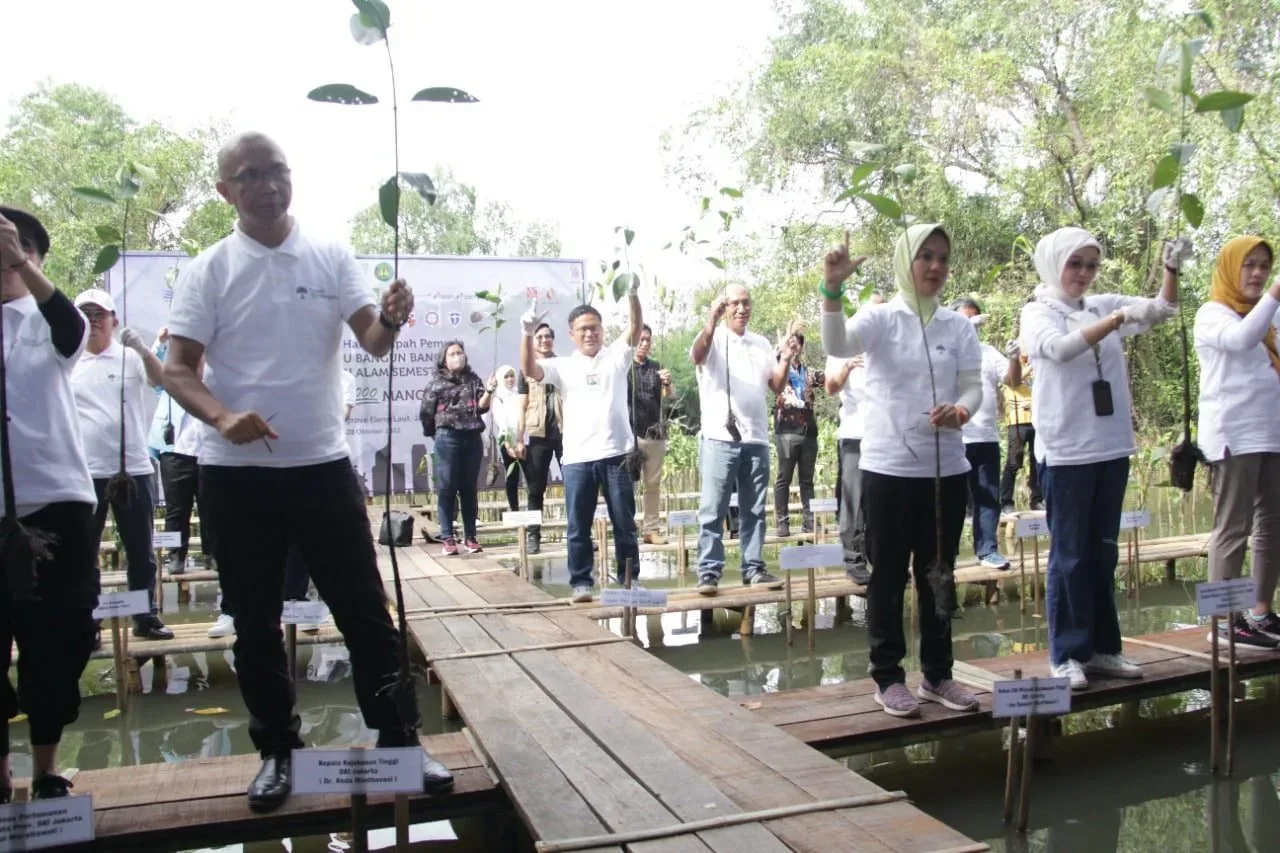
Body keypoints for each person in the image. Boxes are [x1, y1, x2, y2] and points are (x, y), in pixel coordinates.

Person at [161, 132, 452, 812]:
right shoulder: (210, 268)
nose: (266, 184)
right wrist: (222, 415)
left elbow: (374, 343)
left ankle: (400, 741)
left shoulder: (329, 254)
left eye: (277, 171)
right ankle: (278, 751)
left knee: (363, 610)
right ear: (225, 191)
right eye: (249, 174)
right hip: (236, 473)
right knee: (254, 619)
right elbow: (177, 369)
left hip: (322, 465)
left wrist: (391, 316)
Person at [821, 225, 982, 719]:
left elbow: (974, 387)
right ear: (904, 262)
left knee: (939, 574)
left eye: (942, 258)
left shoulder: (959, 327)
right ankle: (887, 677)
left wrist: (962, 411)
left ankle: (938, 675)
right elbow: (838, 339)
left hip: (946, 471)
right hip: (888, 469)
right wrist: (832, 289)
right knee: (887, 576)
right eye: (925, 257)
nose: (935, 267)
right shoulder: (882, 319)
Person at [1019, 227, 1183, 690]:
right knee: (1070, 554)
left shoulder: (1099, 303)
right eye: (1076, 264)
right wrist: (1113, 322)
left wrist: (1170, 270)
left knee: (1103, 551)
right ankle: (1066, 653)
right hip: (1067, 449)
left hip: (1111, 446)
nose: (1085, 274)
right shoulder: (1036, 312)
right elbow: (1056, 350)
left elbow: (1162, 308)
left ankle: (1103, 647)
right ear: (1055, 264)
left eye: (1091, 265)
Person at [0, 206, 99, 800]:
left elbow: (71, 328)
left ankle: (45, 767)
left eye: (19, 251)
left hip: (56, 504)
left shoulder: (51, 322)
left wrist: (18, 258)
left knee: (57, 638)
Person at [520, 289, 642, 603]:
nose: (589, 333)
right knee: (578, 527)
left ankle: (630, 580)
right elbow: (529, 370)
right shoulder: (562, 366)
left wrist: (632, 294)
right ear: (572, 334)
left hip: (617, 454)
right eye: (583, 329)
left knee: (625, 525)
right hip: (577, 458)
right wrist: (527, 332)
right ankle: (581, 583)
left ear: (602, 330)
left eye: (594, 327)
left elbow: (635, 327)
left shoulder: (616, 355)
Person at [71, 288, 174, 642]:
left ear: (114, 320)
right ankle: (89, 622)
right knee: (85, 552)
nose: (93, 320)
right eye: (85, 313)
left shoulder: (129, 357)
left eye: (100, 313)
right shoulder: (69, 360)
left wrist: (144, 350)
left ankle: (144, 617)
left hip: (134, 469)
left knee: (141, 551)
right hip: (85, 473)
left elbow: (161, 381)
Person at [1194, 236, 1280, 648]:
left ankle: (1260, 611)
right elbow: (1242, 339)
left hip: (1272, 433)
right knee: (1233, 527)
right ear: (1231, 268)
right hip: (1233, 435)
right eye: (1249, 265)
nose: (1258, 274)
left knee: (1272, 525)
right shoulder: (1213, 314)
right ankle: (1223, 621)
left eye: (1264, 265)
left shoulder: (1269, 317)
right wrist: (1276, 294)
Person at [690, 283, 789, 596]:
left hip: (756, 439)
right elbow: (697, 355)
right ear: (723, 306)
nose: (742, 309)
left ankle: (753, 568)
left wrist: (785, 357)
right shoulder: (714, 337)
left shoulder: (760, 343)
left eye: (746, 303)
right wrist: (711, 320)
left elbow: (775, 385)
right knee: (713, 509)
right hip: (719, 438)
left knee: (755, 510)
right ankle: (708, 572)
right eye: (735, 303)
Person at [825, 292, 883, 584]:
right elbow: (830, 387)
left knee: (880, 504)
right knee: (853, 502)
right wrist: (848, 367)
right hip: (854, 435)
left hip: (885, 437)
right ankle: (853, 561)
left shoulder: (888, 346)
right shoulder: (843, 344)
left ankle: (880, 560)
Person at [952, 298, 1011, 571]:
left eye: (975, 318)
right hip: (954, 440)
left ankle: (987, 550)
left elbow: (1012, 378)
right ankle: (945, 557)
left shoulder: (988, 352)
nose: (971, 325)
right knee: (950, 501)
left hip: (987, 437)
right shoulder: (945, 352)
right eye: (965, 319)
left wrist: (1016, 356)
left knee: (988, 496)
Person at [148, 327, 211, 579]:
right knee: (177, 508)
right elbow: (151, 372)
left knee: (210, 506)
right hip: (174, 452)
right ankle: (176, 555)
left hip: (208, 454)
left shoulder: (216, 383)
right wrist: (160, 342)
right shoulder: (171, 381)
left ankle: (212, 554)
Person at [420, 340, 493, 555]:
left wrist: (489, 390)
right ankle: (447, 537)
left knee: (468, 488)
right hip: (447, 437)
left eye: (460, 353)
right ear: (444, 358)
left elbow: (482, 406)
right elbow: (426, 414)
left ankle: (470, 537)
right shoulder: (436, 383)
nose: (457, 356)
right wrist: (436, 434)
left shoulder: (473, 380)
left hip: (472, 437)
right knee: (447, 487)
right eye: (452, 353)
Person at [514, 323, 562, 554]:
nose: (544, 340)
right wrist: (519, 438)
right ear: (533, 342)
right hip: (537, 434)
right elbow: (522, 405)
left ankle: (581, 535)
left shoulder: (563, 365)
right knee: (535, 489)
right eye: (539, 337)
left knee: (575, 486)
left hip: (565, 433)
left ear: (553, 340)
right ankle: (534, 536)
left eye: (547, 336)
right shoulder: (526, 370)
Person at [772, 328, 823, 538]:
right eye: (790, 342)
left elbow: (826, 379)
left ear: (801, 347)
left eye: (797, 343)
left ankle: (809, 521)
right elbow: (775, 357)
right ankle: (782, 522)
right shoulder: (778, 367)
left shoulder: (808, 372)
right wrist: (784, 342)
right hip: (786, 430)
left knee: (807, 479)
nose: (793, 346)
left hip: (808, 430)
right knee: (784, 477)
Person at [627, 324, 672, 544]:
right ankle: (627, 526)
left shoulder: (657, 367)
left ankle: (651, 529)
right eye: (641, 339)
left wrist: (668, 383)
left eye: (648, 340)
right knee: (627, 482)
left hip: (654, 433)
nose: (644, 344)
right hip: (630, 433)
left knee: (652, 483)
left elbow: (670, 397)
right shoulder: (624, 368)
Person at [999, 347, 1042, 514]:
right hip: (1017, 423)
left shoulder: (1034, 372)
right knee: (1013, 463)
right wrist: (1031, 366)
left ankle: (1037, 500)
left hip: (1036, 421)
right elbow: (1014, 381)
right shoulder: (1011, 368)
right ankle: (1006, 502)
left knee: (1036, 461)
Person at [490, 364, 523, 512]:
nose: (510, 379)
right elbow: (501, 422)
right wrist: (509, 445)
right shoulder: (498, 398)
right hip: (507, 442)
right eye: (506, 376)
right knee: (512, 477)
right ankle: (514, 509)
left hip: (523, 440)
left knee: (532, 475)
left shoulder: (520, 393)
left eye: (512, 376)